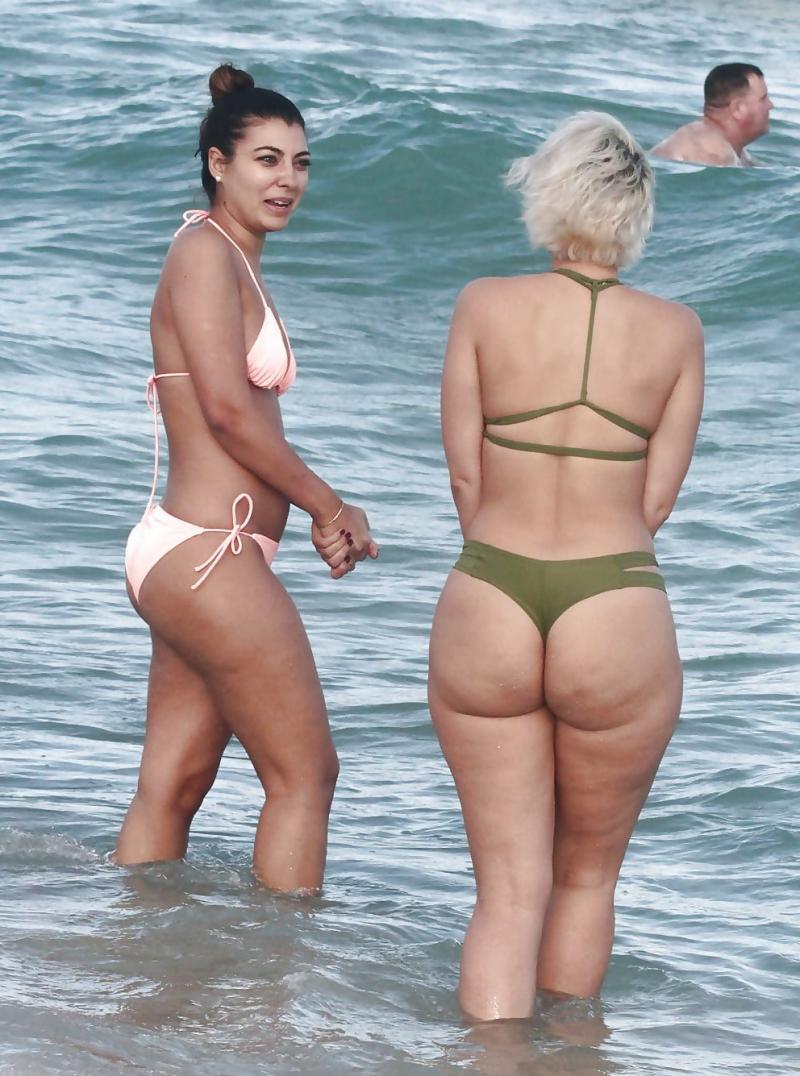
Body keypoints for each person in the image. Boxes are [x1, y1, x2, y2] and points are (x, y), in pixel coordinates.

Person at [428, 111, 704, 1021]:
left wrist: (503, 547)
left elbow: (465, 478)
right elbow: (654, 504)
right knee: (586, 880)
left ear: (547, 193)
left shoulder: (482, 305)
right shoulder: (676, 332)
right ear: (637, 212)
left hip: (491, 590)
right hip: (613, 603)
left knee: (507, 895)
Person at [116, 63, 378, 892]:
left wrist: (307, 511)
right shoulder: (204, 253)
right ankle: (283, 964)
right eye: (267, 160)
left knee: (175, 785)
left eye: (300, 163)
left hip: (203, 554)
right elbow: (228, 413)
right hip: (208, 552)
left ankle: (131, 948)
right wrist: (329, 504)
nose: (287, 180)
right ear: (218, 163)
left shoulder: (233, 258)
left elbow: (239, 418)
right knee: (307, 775)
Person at [651, 62, 773, 166]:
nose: (770, 105)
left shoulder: (731, 149)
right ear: (738, 109)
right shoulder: (710, 151)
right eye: (763, 99)